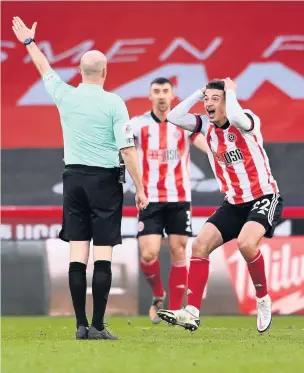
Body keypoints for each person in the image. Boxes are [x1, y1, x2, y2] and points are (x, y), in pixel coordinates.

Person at [12, 16, 149, 340]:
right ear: (104, 72)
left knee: (78, 252)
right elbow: (128, 150)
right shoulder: (115, 102)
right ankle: (99, 325)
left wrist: (30, 43)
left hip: (73, 180)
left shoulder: (66, 95)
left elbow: (44, 70)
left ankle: (80, 325)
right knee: (103, 252)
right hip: (105, 182)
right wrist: (140, 188)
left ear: (80, 72)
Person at [155, 78, 282, 334]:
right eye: (207, 100)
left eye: (215, 99)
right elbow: (175, 116)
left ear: (227, 101)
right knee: (200, 244)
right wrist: (199, 93)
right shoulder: (205, 127)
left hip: (263, 197)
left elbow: (234, 114)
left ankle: (262, 299)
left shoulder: (246, 120)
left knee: (246, 243)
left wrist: (231, 92)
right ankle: (191, 312)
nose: (209, 104)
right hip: (233, 202)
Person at [128, 77, 208, 324]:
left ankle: (173, 310)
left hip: (179, 197)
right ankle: (157, 294)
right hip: (149, 198)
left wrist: (219, 151)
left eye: (165, 91)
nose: (161, 95)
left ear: (173, 96)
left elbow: (204, 143)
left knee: (178, 249)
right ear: (150, 96)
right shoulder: (138, 125)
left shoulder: (182, 125)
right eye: (157, 91)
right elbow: (125, 149)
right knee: (149, 253)